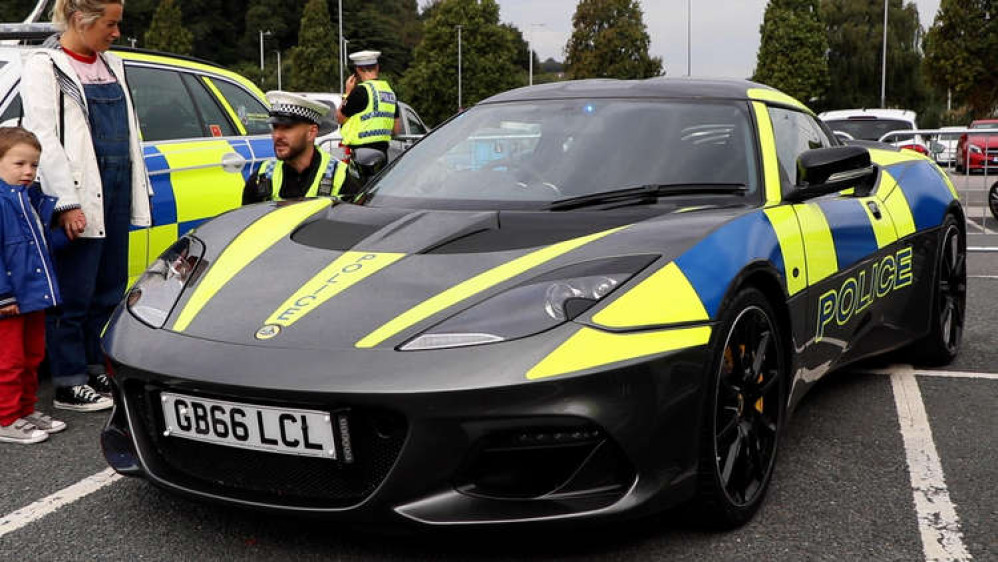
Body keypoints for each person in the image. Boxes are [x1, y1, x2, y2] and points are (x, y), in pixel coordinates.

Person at [21, 0, 152, 412]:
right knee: (73, 293)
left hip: (114, 187)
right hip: (79, 191)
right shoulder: (45, 66)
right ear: (81, 20)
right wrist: (66, 203)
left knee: (109, 287)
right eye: (110, 24)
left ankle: (97, 366)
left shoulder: (114, 65)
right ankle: (68, 380)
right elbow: (43, 137)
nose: (115, 33)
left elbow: (130, 134)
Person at [0, 127, 67, 444]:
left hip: (33, 296)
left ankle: (25, 410)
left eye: (34, 165)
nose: (28, 171)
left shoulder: (28, 200)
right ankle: (6, 418)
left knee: (32, 356)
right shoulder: (2, 202)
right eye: (19, 164)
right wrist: (3, 295)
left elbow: (37, 247)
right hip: (9, 300)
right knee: (9, 361)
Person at [242, 91, 347, 205]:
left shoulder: (340, 176)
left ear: (311, 132)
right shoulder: (262, 176)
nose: (277, 135)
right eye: (275, 127)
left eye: (287, 128)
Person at [335, 50, 402, 161]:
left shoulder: (360, 91)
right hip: (382, 154)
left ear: (358, 70)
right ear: (377, 67)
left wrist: (347, 93)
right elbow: (396, 129)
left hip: (360, 154)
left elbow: (339, 118)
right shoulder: (389, 92)